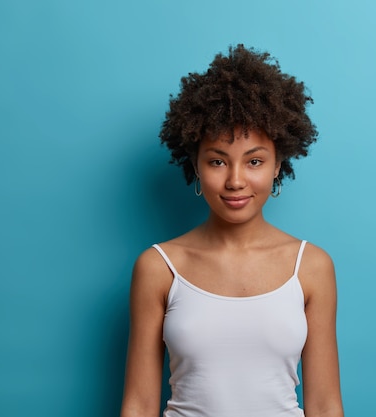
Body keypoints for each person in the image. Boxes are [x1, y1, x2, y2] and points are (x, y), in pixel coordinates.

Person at [120, 44, 343, 417]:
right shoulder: (158, 267)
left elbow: (324, 405)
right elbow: (139, 405)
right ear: (195, 165)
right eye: (217, 161)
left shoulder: (311, 267)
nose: (235, 180)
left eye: (254, 161)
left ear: (277, 165)